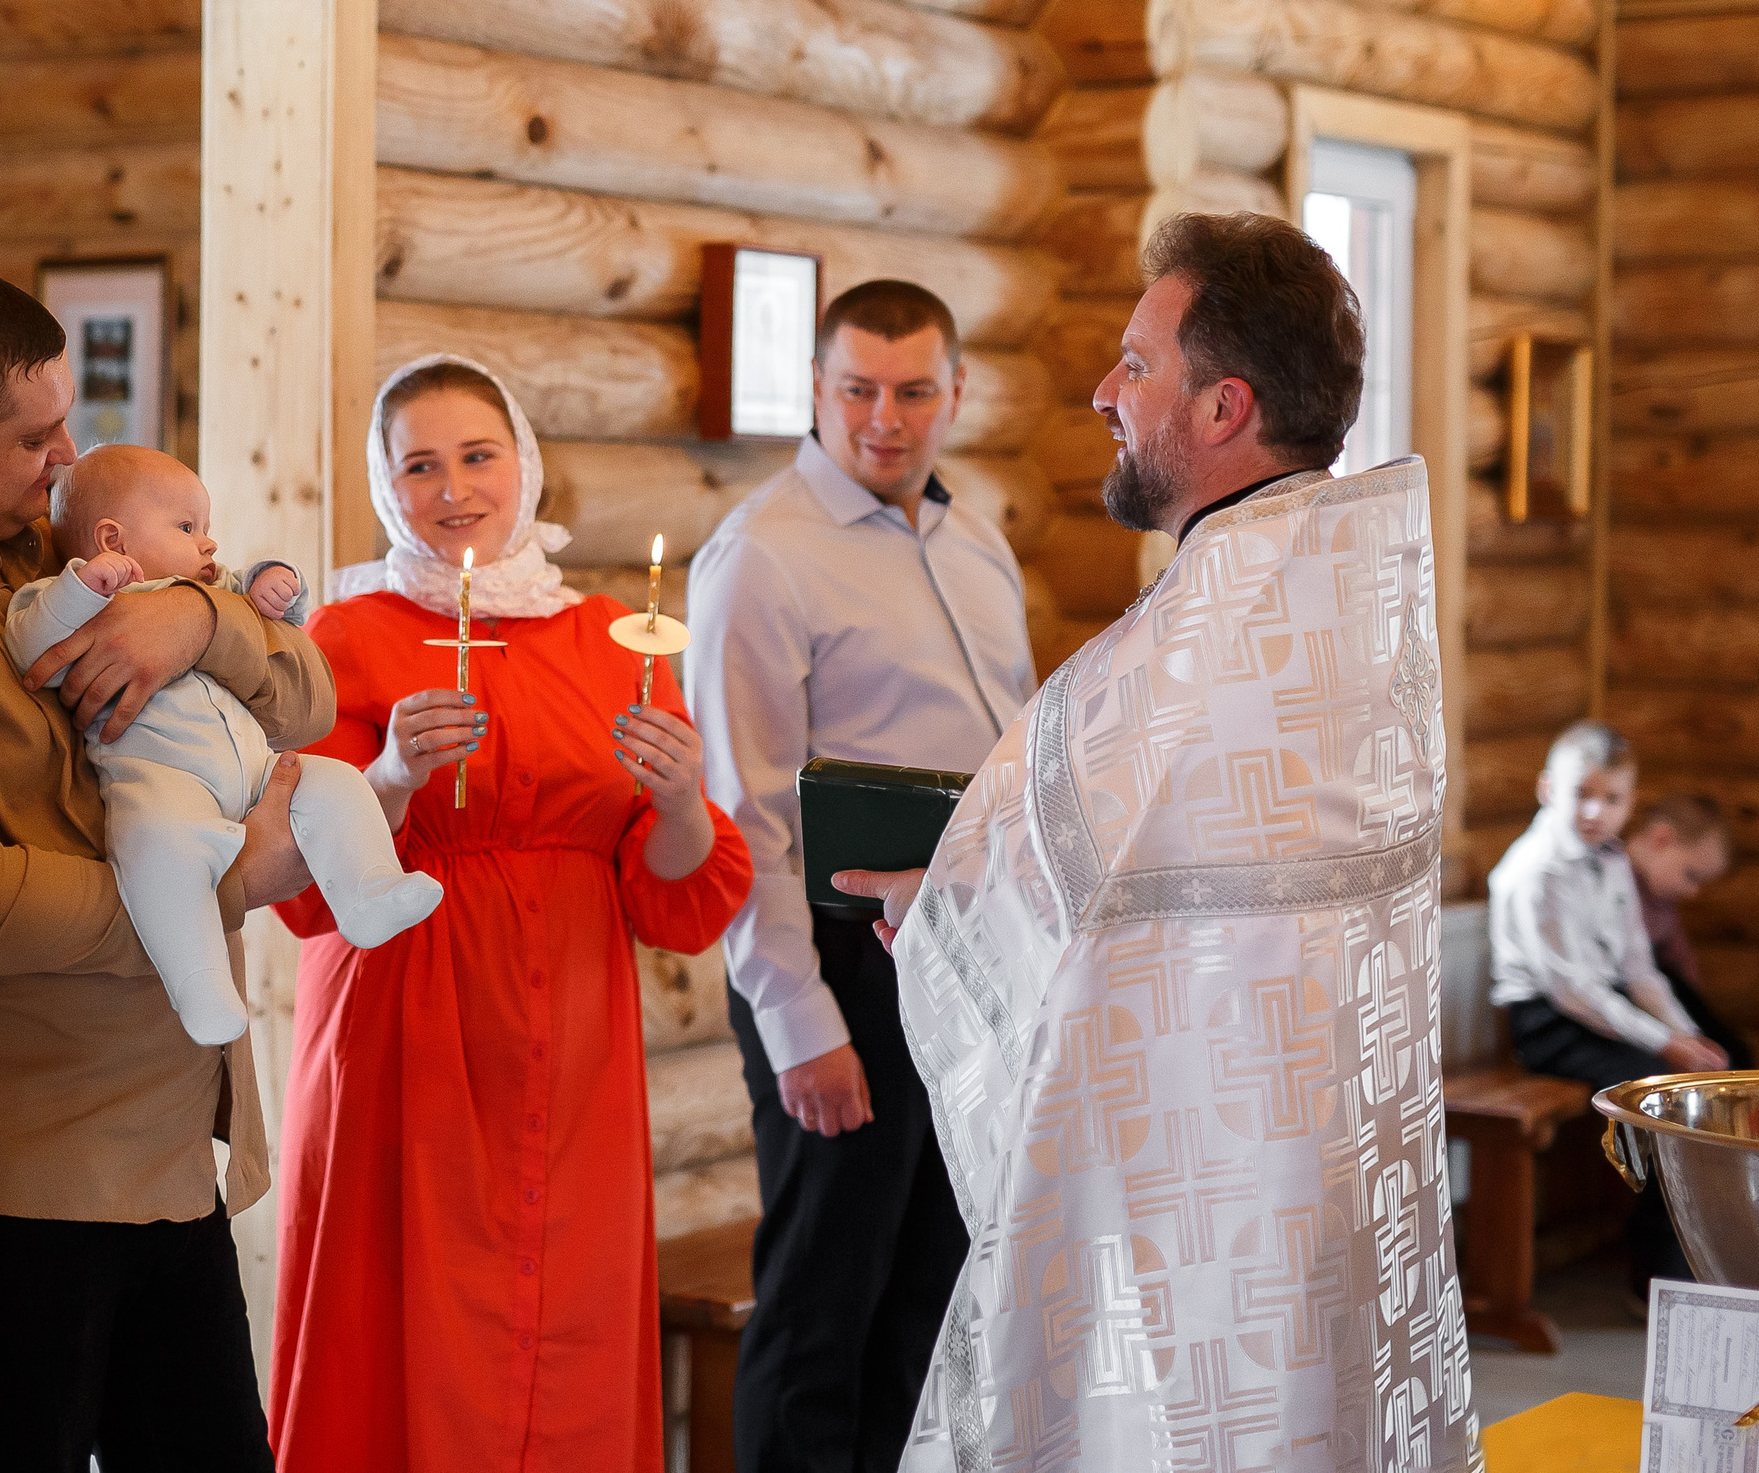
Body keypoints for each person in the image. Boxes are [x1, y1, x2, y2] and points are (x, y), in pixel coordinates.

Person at [861, 212, 1479, 1469]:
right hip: (1308, 1172)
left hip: (1202, 1198)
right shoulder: (1343, 587)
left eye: (1136, 365)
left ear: (1222, 409)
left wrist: (940, 908)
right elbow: (1137, 869)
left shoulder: (1212, 623)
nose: (1102, 390)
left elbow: (1053, 876)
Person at [0, 261, 335, 1470]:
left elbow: (307, 693)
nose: (65, 456)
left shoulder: (50, 536)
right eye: (35, 437)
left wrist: (197, 619)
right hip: (7, 1176)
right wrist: (234, 881)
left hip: (155, 1144)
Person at [267, 353, 755, 1472]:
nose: (453, 489)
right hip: (402, 1031)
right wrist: (387, 777)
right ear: (387, 487)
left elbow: (671, 895)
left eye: (477, 455)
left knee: (563, 1322)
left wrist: (679, 796)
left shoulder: (610, 639)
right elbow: (295, 877)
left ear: (524, 464)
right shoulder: (344, 636)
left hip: (574, 1041)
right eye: (420, 465)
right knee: (400, 1315)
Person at [684, 279, 1033, 1473]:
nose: (884, 417)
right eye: (857, 390)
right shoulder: (761, 559)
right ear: (819, 391)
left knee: (931, 1291)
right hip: (834, 966)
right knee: (820, 1302)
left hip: (962, 958)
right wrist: (799, 1024)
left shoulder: (975, 537)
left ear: (955, 392)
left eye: (913, 390)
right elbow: (743, 816)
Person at [1, 443, 442, 1045]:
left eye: (206, 528)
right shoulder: (63, 597)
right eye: (187, 527)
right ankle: (201, 988)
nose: (208, 544)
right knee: (157, 850)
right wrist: (85, 588)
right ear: (112, 540)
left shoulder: (213, 590)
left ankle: (369, 893)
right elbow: (32, 646)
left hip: (258, 768)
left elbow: (282, 644)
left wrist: (270, 587)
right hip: (160, 778)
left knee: (338, 782)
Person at [1491, 723, 1729, 1287]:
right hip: (1549, 1023)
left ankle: (1701, 1259)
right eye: (1582, 793)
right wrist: (1666, 1045)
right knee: (1657, 1101)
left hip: (1599, 1007)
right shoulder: (1534, 872)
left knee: (1691, 1085)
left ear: (1630, 802)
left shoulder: (1613, 859)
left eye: (1612, 798)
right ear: (1548, 789)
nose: (1595, 811)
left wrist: (1685, 1032)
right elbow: (1572, 991)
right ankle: (1656, 1276)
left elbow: (1638, 970)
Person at [1626, 792, 1750, 1069]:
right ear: (1661, 840)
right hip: (1627, 994)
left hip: (1659, 991)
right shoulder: (1617, 883)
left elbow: (1680, 961)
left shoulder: (1662, 898)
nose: (1693, 892)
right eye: (1691, 876)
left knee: (1732, 1053)